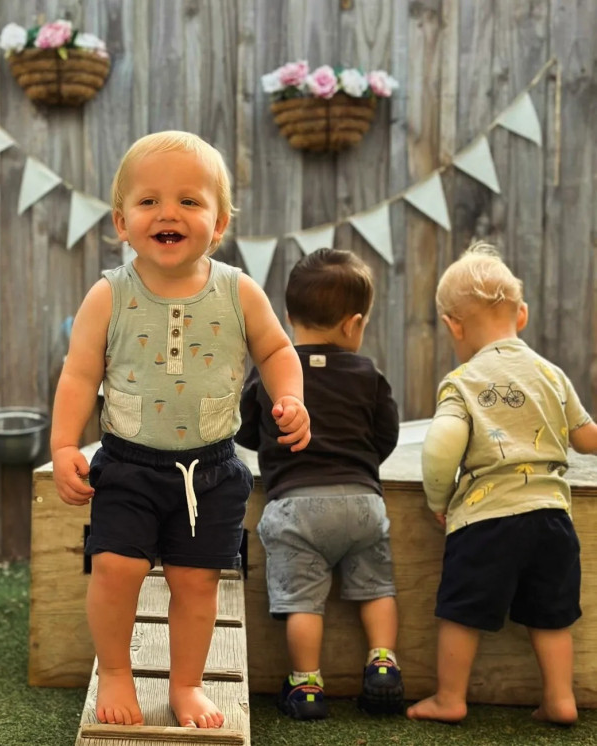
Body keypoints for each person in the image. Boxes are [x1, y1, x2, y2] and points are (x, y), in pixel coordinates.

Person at [50, 131, 311, 730]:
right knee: (115, 568)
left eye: (190, 201)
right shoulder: (108, 295)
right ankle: (117, 670)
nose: (168, 213)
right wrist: (65, 444)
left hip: (212, 471)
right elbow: (78, 374)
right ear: (121, 220)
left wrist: (291, 396)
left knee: (197, 586)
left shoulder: (238, 290)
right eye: (149, 202)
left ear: (218, 225)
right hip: (127, 466)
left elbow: (277, 350)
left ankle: (187, 684)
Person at [407, 242, 597, 724]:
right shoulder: (551, 375)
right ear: (523, 315)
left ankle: (450, 698)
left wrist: (438, 497)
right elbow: (585, 437)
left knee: (462, 610)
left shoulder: (463, 379)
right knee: (551, 613)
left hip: (486, 520)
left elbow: (442, 443)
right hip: (553, 520)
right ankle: (559, 699)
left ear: (453, 326)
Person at [236, 248, 404, 720]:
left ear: (288, 318)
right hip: (362, 503)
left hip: (296, 506)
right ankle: (384, 662)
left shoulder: (272, 374)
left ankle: (307, 686)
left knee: (303, 602)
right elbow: (385, 436)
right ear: (354, 324)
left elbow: (246, 429)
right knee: (376, 588)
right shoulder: (368, 375)